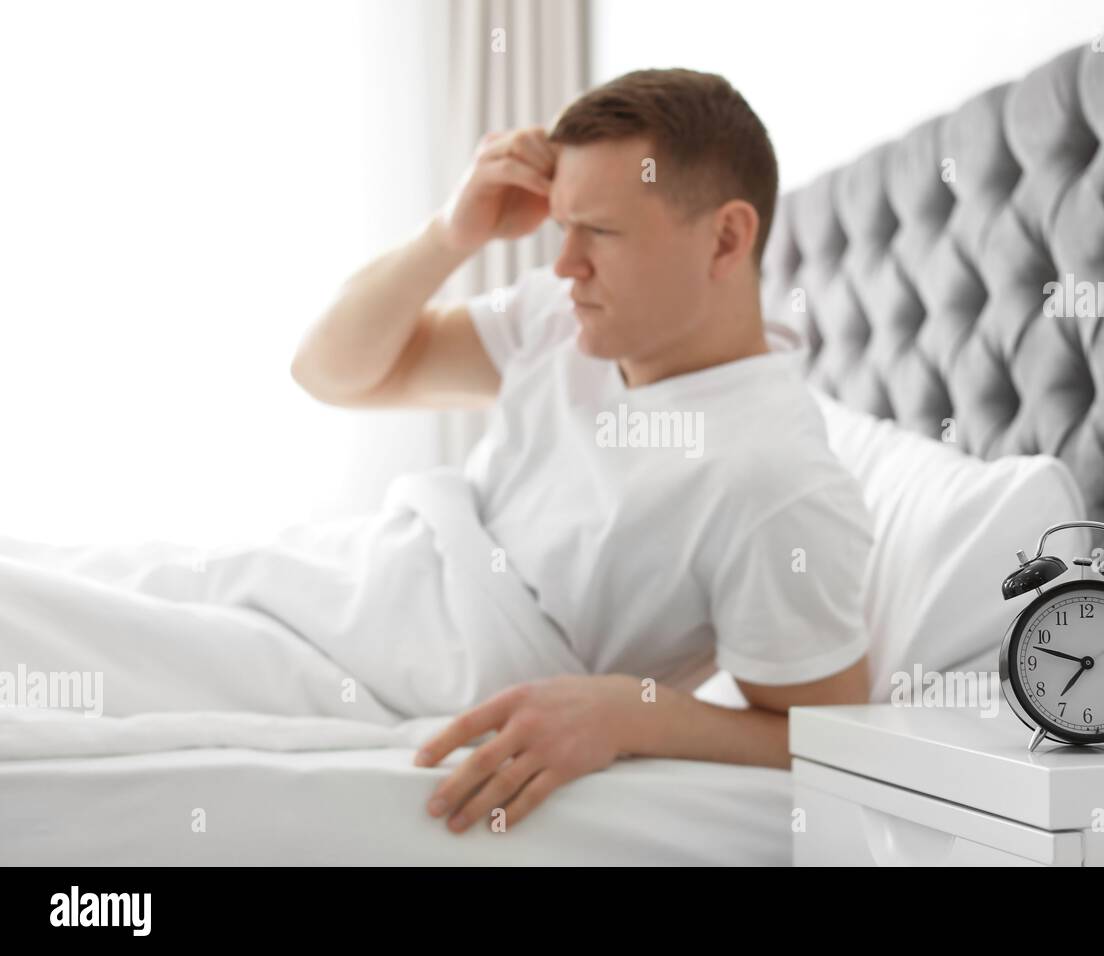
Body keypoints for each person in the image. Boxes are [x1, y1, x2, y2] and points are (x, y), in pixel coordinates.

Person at [0, 69, 873, 838]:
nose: (564, 262)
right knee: (77, 582)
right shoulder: (567, 320)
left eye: (597, 233)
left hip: (412, 672)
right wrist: (450, 236)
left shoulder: (775, 479)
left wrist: (632, 711)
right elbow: (329, 371)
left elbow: (831, 734)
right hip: (348, 582)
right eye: (560, 227)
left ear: (725, 238)